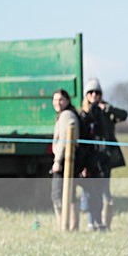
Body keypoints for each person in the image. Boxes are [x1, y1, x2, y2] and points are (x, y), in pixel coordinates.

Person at [80, 78, 128, 231]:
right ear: (86, 95)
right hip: (88, 158)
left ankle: (103, 223)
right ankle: (90, 222)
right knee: (89, 190)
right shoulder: (82, 114)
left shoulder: (106, 111)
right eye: (91, 92)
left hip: (104, 159)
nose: (94, 95)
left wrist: (108, 109)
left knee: (103, 191)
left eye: (97, 92)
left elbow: (124, 115)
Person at [51, 89, 82, 231]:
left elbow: (64, 140)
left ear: (67, 101)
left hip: (64, 161)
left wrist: (57, 161)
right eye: (55, 99)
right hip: (67, 160)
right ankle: (69, 226)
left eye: (61, 99)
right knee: (69, 194)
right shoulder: (64, 114)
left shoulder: (66, 115)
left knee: (58, 194)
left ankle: (64, 226)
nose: (57, 102)